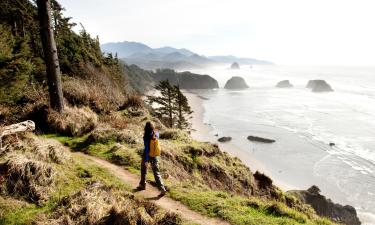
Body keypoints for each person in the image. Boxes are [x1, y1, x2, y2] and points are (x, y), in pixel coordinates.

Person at [137, 121, 167, 196]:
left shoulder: (146, 136)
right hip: (155, 156)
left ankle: (142, 185)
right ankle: (162, 188)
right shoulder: (156, 134)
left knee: (143, 170)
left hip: (147, 155)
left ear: (145, 128)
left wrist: (146, 160)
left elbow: (147, 149)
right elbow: (157, 139)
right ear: (152, 127)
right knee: (156, 172)